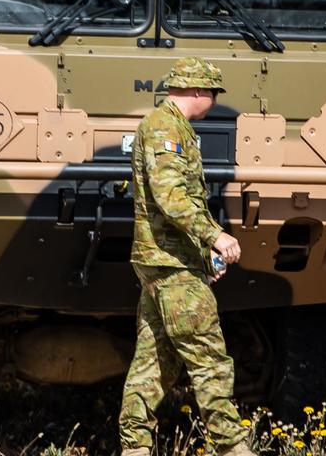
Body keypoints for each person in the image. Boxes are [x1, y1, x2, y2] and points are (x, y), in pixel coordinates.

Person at [118, 58, 253, 456]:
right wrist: (215, 237)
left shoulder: (174, 127)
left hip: (166, 259)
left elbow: (182, 197)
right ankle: (231, 447)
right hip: (169, 262)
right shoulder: (165, 128)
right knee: (207, 352)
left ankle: (135, 446)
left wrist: (202, 254)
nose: (213, 102)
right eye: (212, 93)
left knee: (155, 358)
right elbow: (171, 197)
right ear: (197, 91)